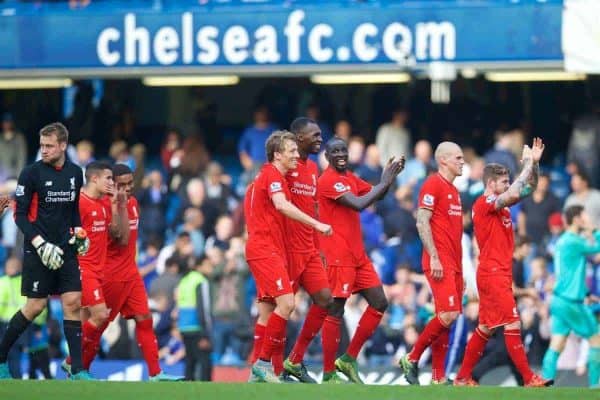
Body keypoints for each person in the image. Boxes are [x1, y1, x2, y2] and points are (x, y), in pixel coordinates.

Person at [63, 164, 183, 381]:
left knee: (144, 318)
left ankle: (156, 373)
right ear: (111, 184)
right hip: (111, 274)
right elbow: (122, 239)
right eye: (122, 184)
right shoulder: (104, 206)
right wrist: (118, 205)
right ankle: (76, 365)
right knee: (100, 324)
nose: (128, 188)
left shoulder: (134, 203)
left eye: (130, 183)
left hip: (131, 273)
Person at [454, 138, 552, 387]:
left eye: (509, 180)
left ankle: (463, 377)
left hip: (496, 272)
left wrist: (535, 165)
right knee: (512, 322)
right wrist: (527, 164)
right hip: (493, 272)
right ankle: (529, 378)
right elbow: (514, 192)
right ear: (491, 183)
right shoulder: (484, 203)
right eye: (504, 182)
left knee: (486, 327)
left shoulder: (503, 208)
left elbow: (528, 188)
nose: (509, 185)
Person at [0, 122, 91, 380]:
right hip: (38, 249)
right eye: (42, 145)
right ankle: (0, 358)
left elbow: (73, 210)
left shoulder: (75, 173)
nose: (45, 150)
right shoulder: (30, 173)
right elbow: (18, 215)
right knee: (35, 307)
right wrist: (40, 243)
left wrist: (79, 232)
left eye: (50, 146)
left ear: (63, 145)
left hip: (65, 248)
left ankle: (77, 370)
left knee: (73, 303)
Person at [245, 130, 332, 383]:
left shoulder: (265, 178)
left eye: (297, 150)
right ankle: (264, 364)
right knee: (286, 305)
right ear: (277, 154)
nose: (296, 155)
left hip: (272, 249)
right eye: (291, 151)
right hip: (266, 250)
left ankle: (263, 371)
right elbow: (282, 205)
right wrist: (317, 225)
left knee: (269, 310)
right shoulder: (272, 175)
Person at [318, 137, 404, 383]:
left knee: (379, 302)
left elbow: (375, 194)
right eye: (335, 151)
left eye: (343, 149)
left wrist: (389, 175)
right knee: (336, 310)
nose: (341, 154)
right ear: (327, 157)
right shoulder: (328, 181)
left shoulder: (350, 177)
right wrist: (384, 181)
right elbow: (359, 204)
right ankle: (327, 372)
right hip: (339, 256)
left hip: (358, 256)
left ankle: (348, 358)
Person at [399, 141, 465, 385]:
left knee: (445, 317)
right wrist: (435, 256)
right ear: (443, 160)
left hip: (454, 263)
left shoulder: (455, 192)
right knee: (448, 314)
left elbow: (454, 235)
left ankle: (438, 377)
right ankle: (412, 357)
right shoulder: (432, 184)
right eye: (457, 158)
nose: (462, 162)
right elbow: (421, 221)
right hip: (439, 261)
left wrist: (461, 270)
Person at [274, 117, 333, 383]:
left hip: (309, 250)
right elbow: (276, 204)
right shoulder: (285, 168)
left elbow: (314, 208)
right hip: (287, 250)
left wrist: (319, 247)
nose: (320, 139)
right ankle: (271, 369)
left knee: (325, 300)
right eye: (315, 135)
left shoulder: (312, 170)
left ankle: (294, 361)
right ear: (299, 138)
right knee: (281, 309)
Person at [61, 161, 128, 375]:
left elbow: (116, 234)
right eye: (108, 178)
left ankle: (76, 370)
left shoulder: (102, 203)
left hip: (99, 271)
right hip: (83, 268)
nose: (112, 182)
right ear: (94, 179)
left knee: (83, 325)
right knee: (101, 315)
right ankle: (72, 360)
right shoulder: (79, 202)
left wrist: (116, 205)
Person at [542, 205, 600, 388]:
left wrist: (586, 293)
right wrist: (595, 230)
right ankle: (594, 388)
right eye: (585, 216)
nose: (587, 219)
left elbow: (572, 273)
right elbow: (598, 247)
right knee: (596, 339)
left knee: (557, 344)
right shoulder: (574, 241)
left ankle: (545, 386)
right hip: (570, 302)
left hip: (559, 300)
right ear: (577, 219)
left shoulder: (563, 241)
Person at [176, 257, 213, 381]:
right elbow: (203, 307)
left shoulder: (184, 280)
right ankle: (206, 392)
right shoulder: (201, 281)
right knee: (205, 362)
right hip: (197, 326)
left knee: (190, 361)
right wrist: (205, 334)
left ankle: (187, 389)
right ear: (199, 266)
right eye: (208, 264)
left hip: (184, 325)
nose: (211, 267)